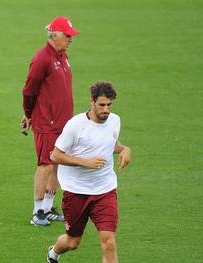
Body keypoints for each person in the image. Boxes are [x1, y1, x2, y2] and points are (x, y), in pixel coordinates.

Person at [46, 81, 131, 263]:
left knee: (109, 242)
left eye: (109, 105)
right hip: (76, 191)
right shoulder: (75, 125)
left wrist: (124, 149)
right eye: (102, 105)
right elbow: (55, 155)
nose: (106, 110)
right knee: (73, 242)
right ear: (92, 102)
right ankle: (53, 253)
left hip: (105, 190)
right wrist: (86, 162)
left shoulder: (115, 121)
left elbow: (111, 143)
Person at [20, 16, 80, 226]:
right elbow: (29, 90)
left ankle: (47, 207)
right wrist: (28, 114)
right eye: (67, 35)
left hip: (64, 123)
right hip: (47, 123)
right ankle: (37, 213)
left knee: (58, 166)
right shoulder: (42, 58)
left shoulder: (62, 56)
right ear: (55, 35)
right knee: (45, 165)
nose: (71, 39)